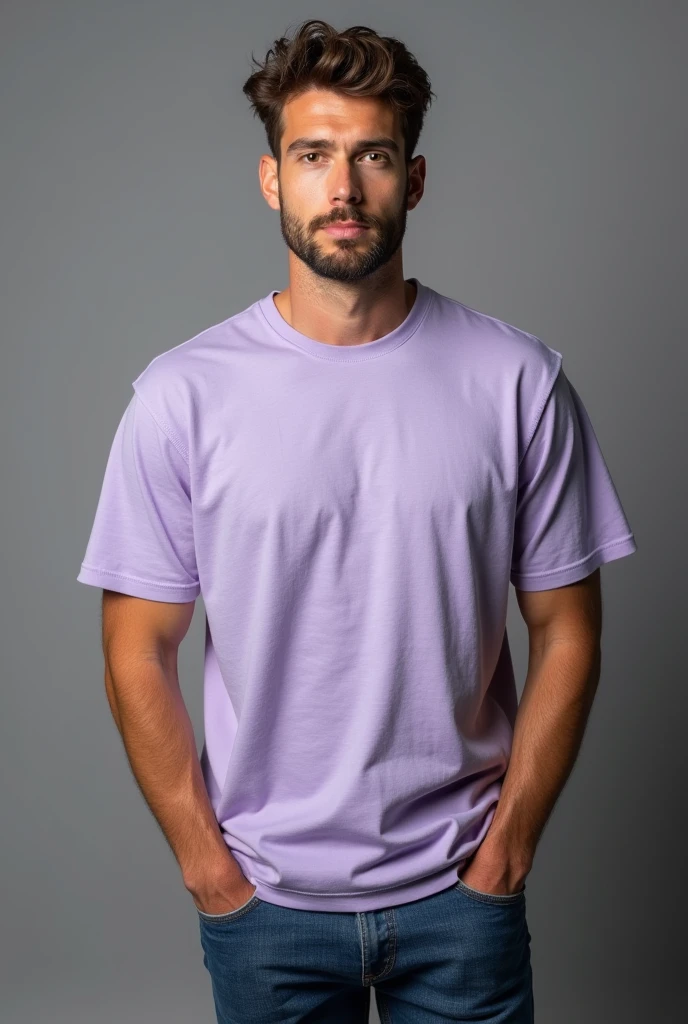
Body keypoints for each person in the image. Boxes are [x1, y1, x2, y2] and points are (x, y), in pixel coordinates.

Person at [76, 18, 637, 1023]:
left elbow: (567, 628)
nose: (342, 189)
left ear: (412, 181)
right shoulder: (181, 396)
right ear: (270, 179)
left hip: (461, 896)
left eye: (372, 156)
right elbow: (134, 648)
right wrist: (210, 873)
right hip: (266, 907)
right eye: (312, 156)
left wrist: (505, 854)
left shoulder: (515, 381)